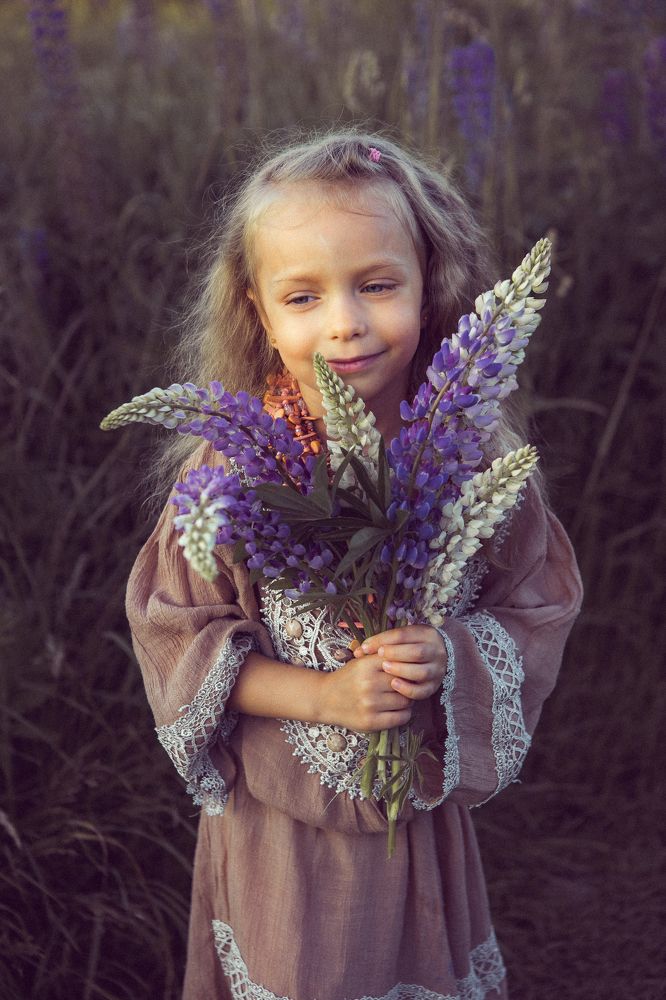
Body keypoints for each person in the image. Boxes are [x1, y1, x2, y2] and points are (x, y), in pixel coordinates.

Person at [126, 129, 583, 1000]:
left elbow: (535, 602)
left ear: (432, 287)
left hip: (413, 817)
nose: (346, 322)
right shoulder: (234, 470)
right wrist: (322, 696)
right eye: (303, 296)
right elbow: (174, 633)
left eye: (377, 285)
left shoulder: (475, 455)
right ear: (259, 313)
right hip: (279, 825)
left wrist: (451, 653)